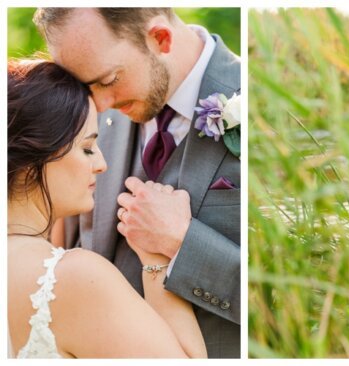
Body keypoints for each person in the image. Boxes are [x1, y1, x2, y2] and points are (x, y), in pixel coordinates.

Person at [33, 8, 241, 357]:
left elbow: (294, 289)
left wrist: (184, 243)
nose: (99, 104)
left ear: (160, 38)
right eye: (86, 85)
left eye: (109, 79)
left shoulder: (264, 102)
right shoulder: (90, 115)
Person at [8, 60, 206, 358]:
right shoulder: (73, 278)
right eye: (87, 148)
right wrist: (154, 256)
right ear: (30, 159)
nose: (101, 164)